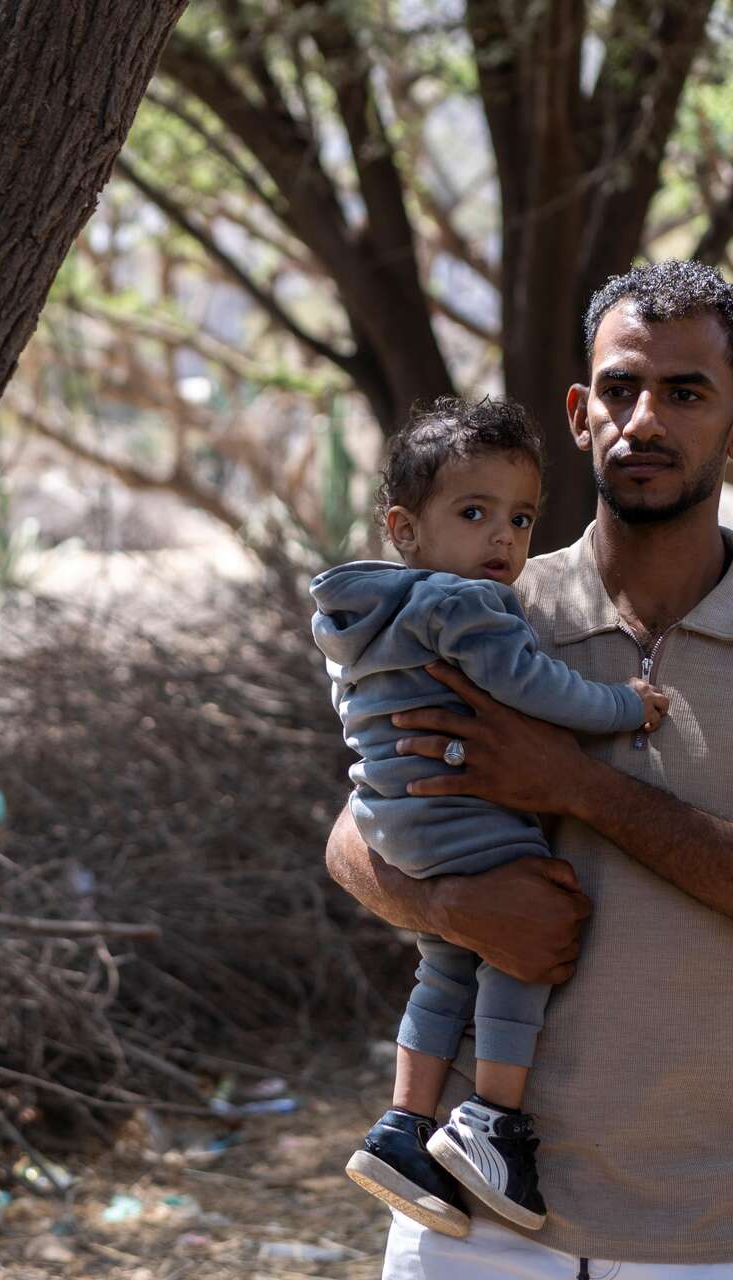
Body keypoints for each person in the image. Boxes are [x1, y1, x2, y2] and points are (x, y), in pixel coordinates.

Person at [325, 258, 733, 1277]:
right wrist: (452, 901)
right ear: (578, 411)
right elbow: (353, 833)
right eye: (619, 387)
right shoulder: (478, 605)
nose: (644, 418)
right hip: (472, 1218)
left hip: (700, 1225)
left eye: (685, 392)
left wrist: (571, 783)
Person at [309, 397, 667, 1238]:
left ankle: (404, 1126)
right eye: (474, 514)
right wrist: (625, 705)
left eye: (520, 517)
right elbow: (536, 690)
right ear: (405, 527)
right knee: (527, 938)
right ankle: (491, 1121)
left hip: (398, 820)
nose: (504, 540)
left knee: (446, 967)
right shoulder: (464, 606)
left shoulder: (362, 618)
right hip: (465, 816)